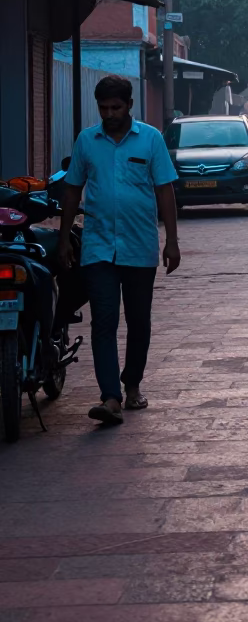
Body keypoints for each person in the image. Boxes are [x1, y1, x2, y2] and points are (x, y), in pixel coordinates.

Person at [57, 75, 180, 427]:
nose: (109, 114)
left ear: (129, 105)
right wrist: (64, 238)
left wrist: (172, 241)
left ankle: (133, 384)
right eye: (104, 108)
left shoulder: (150, 139)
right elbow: (72, 190)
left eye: (116, 107)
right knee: (104, 320)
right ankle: (109, 397)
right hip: (98, 248)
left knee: (139, 321)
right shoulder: (87, 141)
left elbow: (165, 191)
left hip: (140, 246)